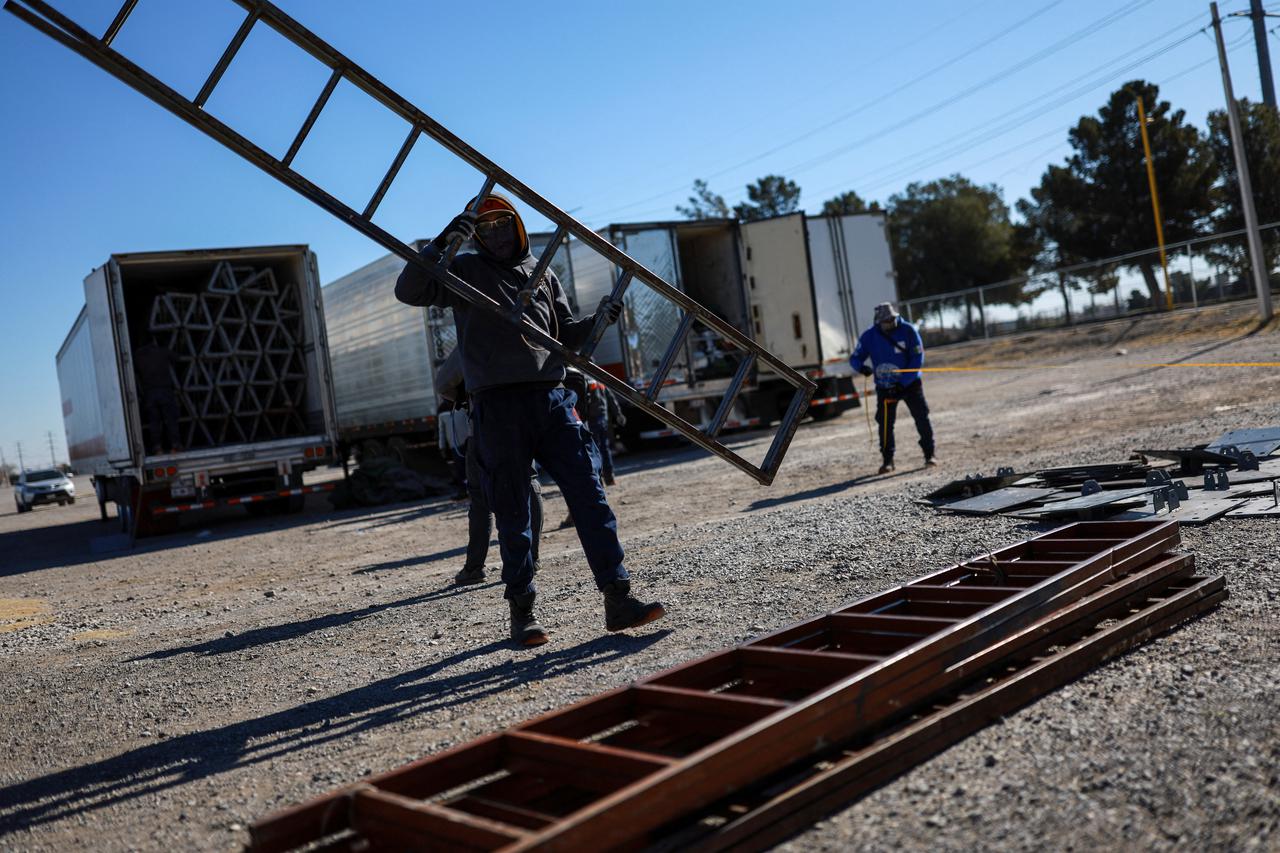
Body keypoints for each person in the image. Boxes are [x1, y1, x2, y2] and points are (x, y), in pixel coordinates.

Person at [395, 193, 665, 647]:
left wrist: (598, 322)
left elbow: (566, 339)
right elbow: (410, 290)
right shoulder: (464, 271)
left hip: (552, 400)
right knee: (515, 512)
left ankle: (618, 599)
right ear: (476, 235)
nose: (496, 234)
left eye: (503, 223)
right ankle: (523, 613)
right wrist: (445, 240)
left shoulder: (543, 274)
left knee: (591, 498)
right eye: (486, 228)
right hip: (498, 408)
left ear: (518, 225)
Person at [436, 348, 544, 586]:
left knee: (480, 497)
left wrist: (465, 395)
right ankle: (532, 558)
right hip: (525, 421)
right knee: (529, 482)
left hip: (486, 424)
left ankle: (474, 567)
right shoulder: (527, 324)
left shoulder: (474, 330)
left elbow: (444, 383)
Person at [850, 302, 936, 475]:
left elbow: (917, 358)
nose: (890, 322)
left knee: (922, 417)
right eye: (886, 321)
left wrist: (903, 382)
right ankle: (887, 461)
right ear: (878, 322)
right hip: (885, 388)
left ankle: (929, 455)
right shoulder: (869, 336)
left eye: (892, 319)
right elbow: (855, 357)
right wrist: (861, 367)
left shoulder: (909, 331)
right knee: (885, 424)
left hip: (910, 385)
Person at [134, 331, 182, 455]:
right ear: (153, 341)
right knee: (170, 419)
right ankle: (175, 446)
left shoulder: (138, 356)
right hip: (165, 391)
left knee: (154, 422)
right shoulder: (161, 352)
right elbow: (177, 358)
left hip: (149, 393)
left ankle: (157, 448)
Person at [584, 376, 625, 486]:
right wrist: (618, 414)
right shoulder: (599, 380)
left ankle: (599, 480)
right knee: (605, 449)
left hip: (591, 421)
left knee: (594, 451)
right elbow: (611, 399)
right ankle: (610, 478)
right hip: (603, 419)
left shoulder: (584, 380)